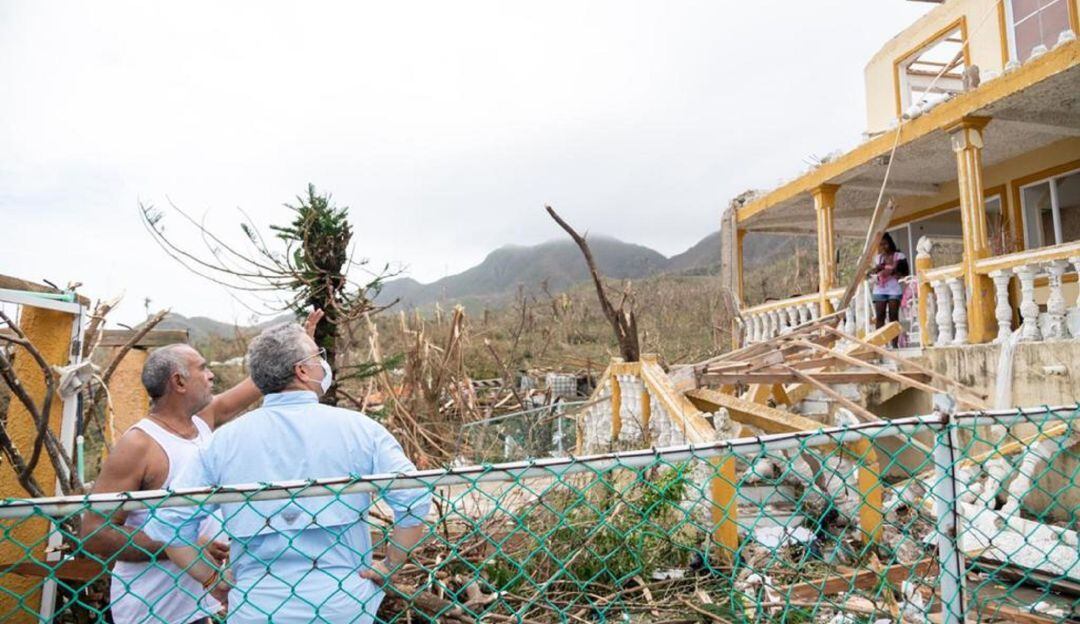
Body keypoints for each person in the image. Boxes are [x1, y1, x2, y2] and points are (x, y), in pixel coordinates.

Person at [143, 322, 431, 623]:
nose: (323, 363)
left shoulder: (224, 443)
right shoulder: (360, 430)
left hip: (257, 607)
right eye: (318, 355)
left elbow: (167, 522)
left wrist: (211, 579)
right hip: (342, 605)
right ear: (302, 371)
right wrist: (392, 563)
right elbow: (413, 495)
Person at [81, 310, 324, 624]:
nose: (211, 375)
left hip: (199, 605)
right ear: (179, 381)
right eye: (203, 368)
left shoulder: (202, 421)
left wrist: (299, 352)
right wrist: (180, 544)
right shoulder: (139, 444)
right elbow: (94, 532)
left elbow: (264, 381)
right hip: (150, 612)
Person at [869, 233, 908, 347]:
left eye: (885, 244)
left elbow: (905, 272)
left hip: (893, 289)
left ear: (890, 243)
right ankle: (879, 344)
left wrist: (892, 272)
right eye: (881, 245)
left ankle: (894, 344)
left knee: (893, 316)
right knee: (880, 316)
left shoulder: (899, 256)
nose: (883, 247)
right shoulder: (878, 258)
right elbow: (874, 273)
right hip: (879, 289)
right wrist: (875, 271)